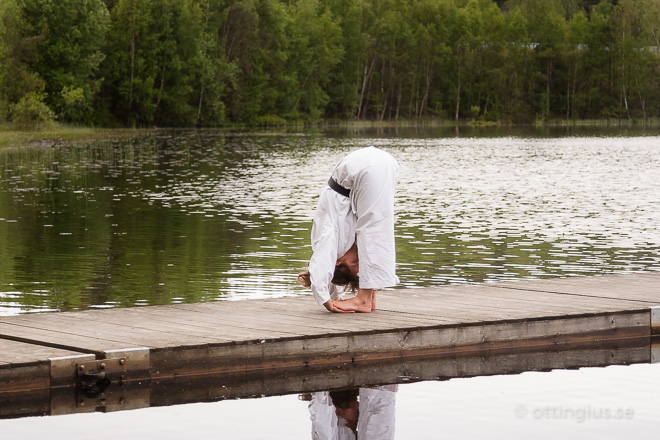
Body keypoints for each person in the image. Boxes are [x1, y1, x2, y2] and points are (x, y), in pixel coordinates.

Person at [298, 146, 399, 313]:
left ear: (337, 261)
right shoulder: (342, 248)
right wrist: (336, 296)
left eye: (355, 261)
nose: (359, 257)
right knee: (378, 226)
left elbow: (321, 266)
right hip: (378, 164)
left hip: (364, 168)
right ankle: (370, 296)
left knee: (373, 229)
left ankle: (364, 300)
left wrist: (326, 301)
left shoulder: (328, 243)